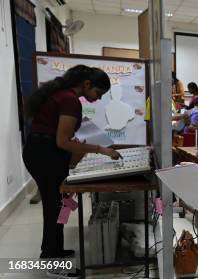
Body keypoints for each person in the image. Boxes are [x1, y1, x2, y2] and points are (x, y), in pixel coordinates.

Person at [22, 65, 122, 279]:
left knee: (56, 205)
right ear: (87, 84)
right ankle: (51, 261)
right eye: (98, 93)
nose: (97, 99)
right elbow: (63, 140)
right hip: (45, 155)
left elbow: (61, 137)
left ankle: (54, 251)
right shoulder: (69, 100)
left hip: (41, 152)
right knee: (53, 208)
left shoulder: (61, 95)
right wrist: (101, 149)